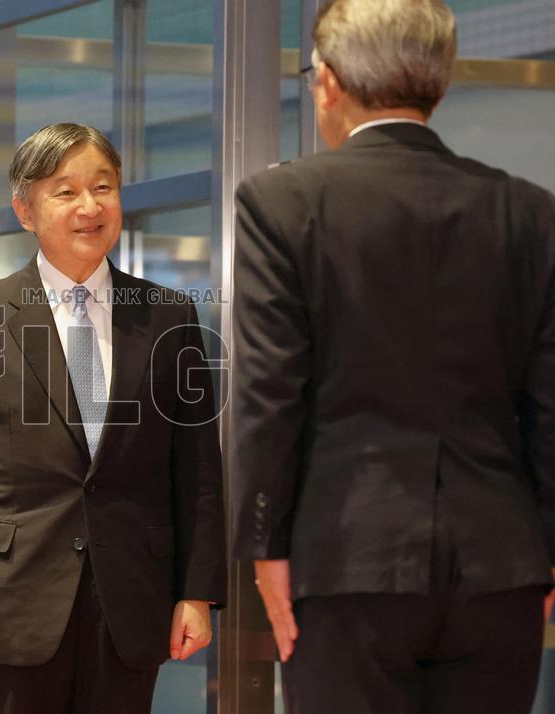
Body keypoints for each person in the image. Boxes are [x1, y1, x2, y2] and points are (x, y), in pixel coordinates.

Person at [231, 2, 555, 713]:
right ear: (436, 84)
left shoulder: (282, 202)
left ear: (331, 83)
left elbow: (269, 394)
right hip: (502, 564)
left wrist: (265, 544)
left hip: (345, 558)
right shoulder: (530, 212)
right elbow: (550, 403)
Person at [0, 123, 227, 713]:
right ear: (25, 210)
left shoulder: (169, 315)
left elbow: (199, 471)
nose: (90, 207)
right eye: (65, 191)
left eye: (103, 187)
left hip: (132, 598)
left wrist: (198, 593)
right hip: (11, 604)